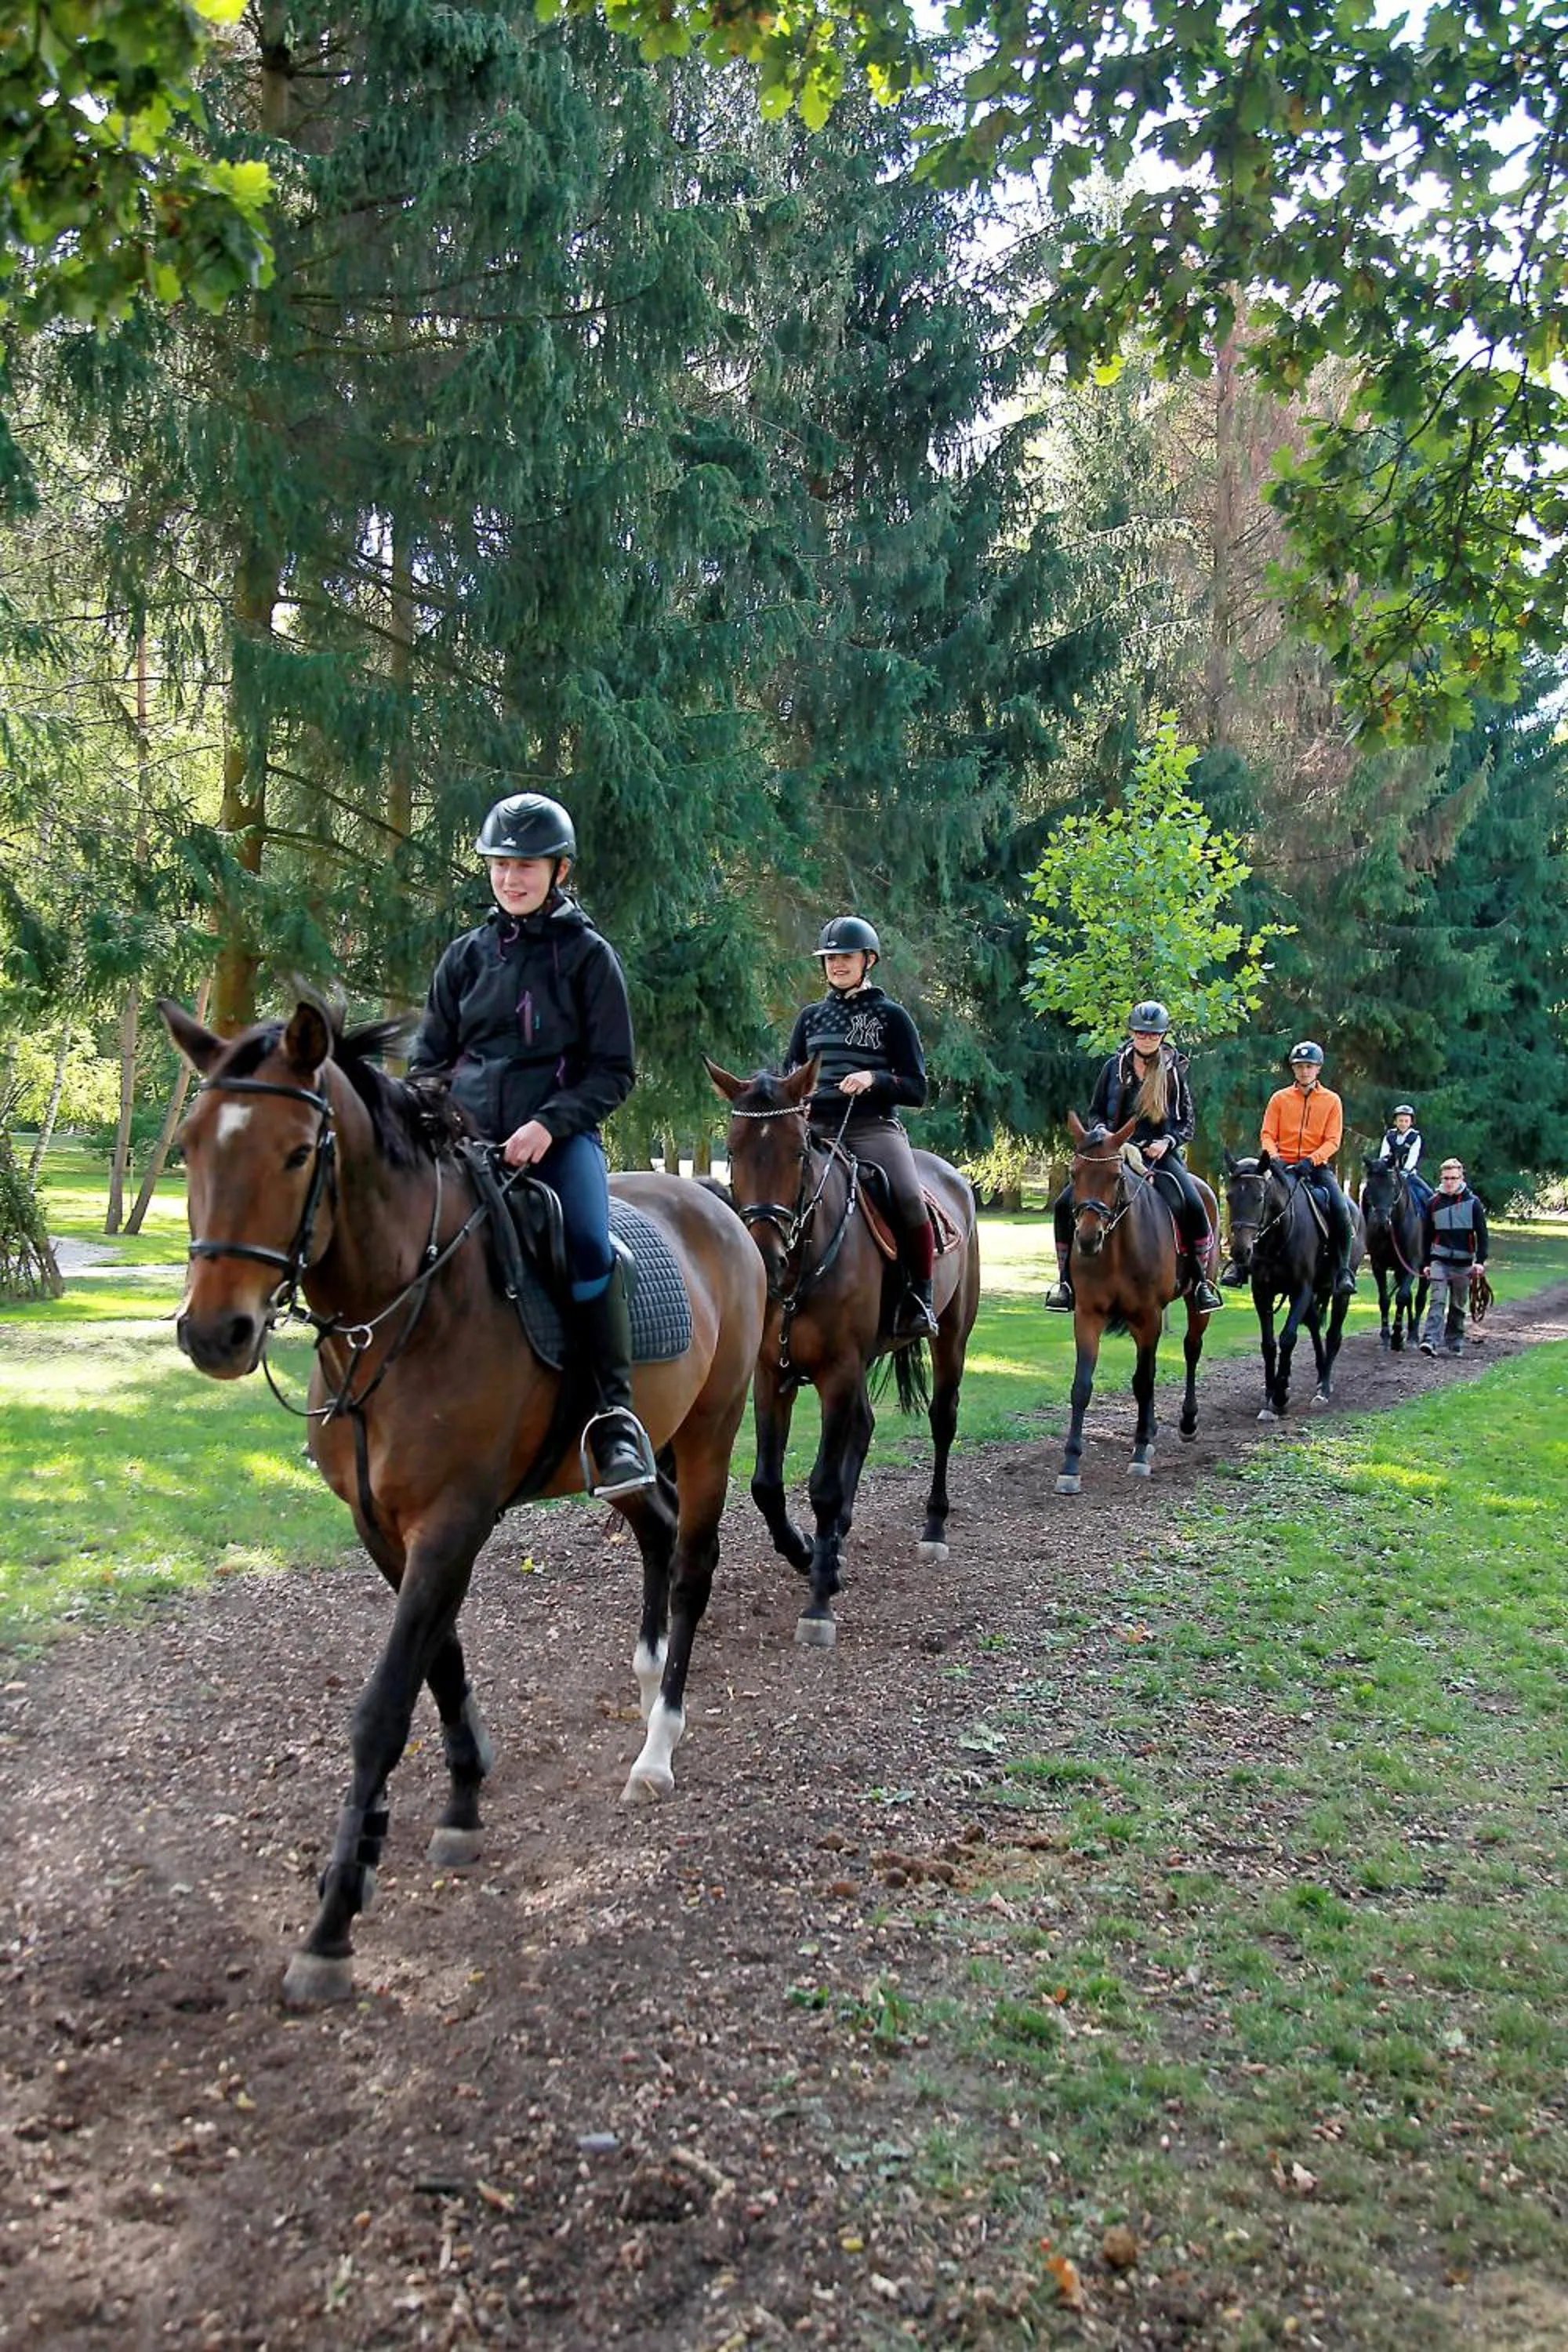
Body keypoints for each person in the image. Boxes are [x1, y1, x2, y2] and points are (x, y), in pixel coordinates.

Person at [409, 790, 657, 1500]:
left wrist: (548, 1124)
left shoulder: (588, 958)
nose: (511, 877)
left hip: (558, 1141)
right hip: (466, 1143)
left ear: (559, 871)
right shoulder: (464, 958)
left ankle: (613, 1420)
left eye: (526, 866)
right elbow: (429, 1061)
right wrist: (434, 1116)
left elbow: (614, 1071)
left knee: (587, 1242)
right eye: (500, 864)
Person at [783, 916, 938, 1340]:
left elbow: (917, 1088)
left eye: (846, 957)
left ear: (868, 960)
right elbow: (790, 1075)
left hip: (872, 1127)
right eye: (830, 958)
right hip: (816, 1128)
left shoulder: (892, 1016)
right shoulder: (809, 1018)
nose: (837, 965)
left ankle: (920, 1295)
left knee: (908, 1197)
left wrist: (875, 1079)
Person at [1046, 1001, 1226, 1312]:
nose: (1147, 1038)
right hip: (1113, 1153)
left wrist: (1167, 1141)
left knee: (1193, 1204)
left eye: (1153, 1034)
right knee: (1064, 1203)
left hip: (1158, 1155)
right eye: (1141, 1033)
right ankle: (1065, 1282)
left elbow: (1187, 1122)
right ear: (1131, 1033)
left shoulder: (1173, 1072)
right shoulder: (1112, 1068)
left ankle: (1200, 1282)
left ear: (1163, 1036)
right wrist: (1106, 1137)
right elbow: (1096, 1112)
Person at [1259, 1040, 1356, 1298]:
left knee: (1341, 1209)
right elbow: (1267, 1133)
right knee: (1255, 1201)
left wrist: (1311, 1161)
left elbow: (1333, 1140)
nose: (1304, 1071)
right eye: (1300, 1066)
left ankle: (1344, 1270)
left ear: (1318, 1069)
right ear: (1293, 1069)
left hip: (1316, 1168)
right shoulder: (1279, 1098)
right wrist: (1274, 1156)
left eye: (1309, 1066)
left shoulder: (1332, 1100)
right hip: (1282, 1166)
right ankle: (1243, 1264)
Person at [1419, 1157, 1489, 1356]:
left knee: (1458, 1305)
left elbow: (1482, 1234)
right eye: (1446, 1178)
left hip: (1463, 1263)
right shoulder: (1433, 1203)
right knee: (1437, 1300)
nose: (1449, 1182)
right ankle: (1430, 1340)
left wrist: (1480, 1262)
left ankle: (1454, 1341)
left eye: (1453, 1178)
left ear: (1461, 1179)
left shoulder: (1473, 1203)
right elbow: (1426, 1235)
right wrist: (1426, 1263)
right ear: (1441, 1179)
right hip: (1439, 1260)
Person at [1376, 1102, 1432, 1210]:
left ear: (1411, 1122)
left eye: (1406, 1121)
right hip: (1390, 1175)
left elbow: (1413, 1157)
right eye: (1400, 1121)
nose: (1403, 1124)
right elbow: (1384, 1155)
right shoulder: (1389, 1136)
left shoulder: (1415, 1137)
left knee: (1427, 1194)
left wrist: (1405, 1171)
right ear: (1395, 1122)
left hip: (1408, 1175)